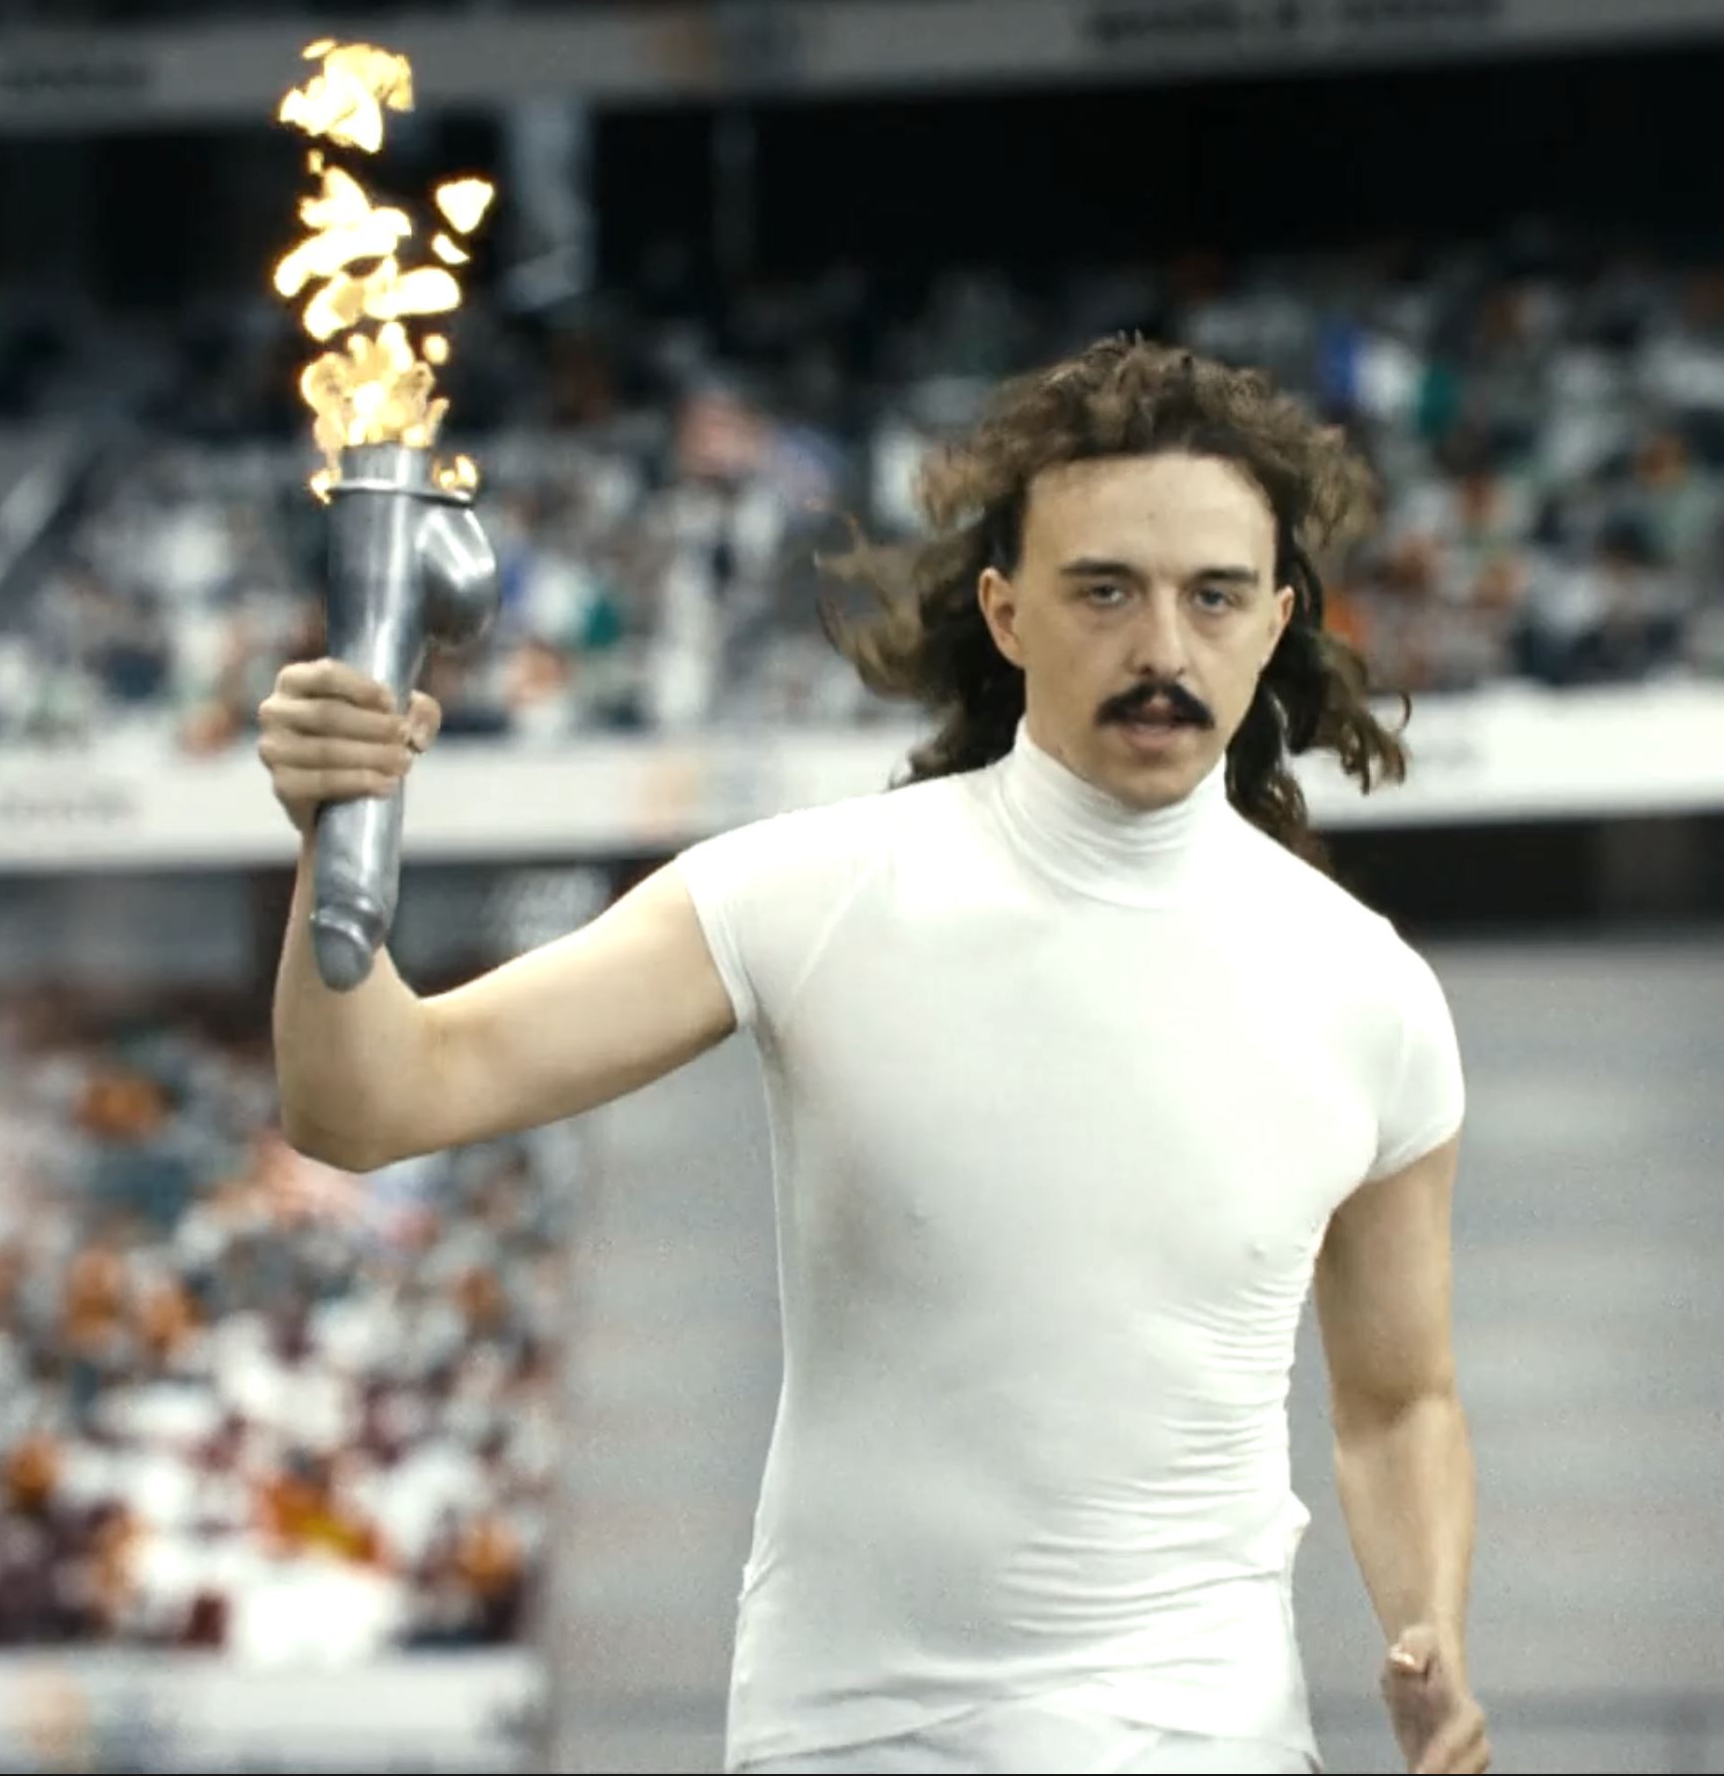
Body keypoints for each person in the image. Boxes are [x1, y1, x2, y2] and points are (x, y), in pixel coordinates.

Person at [262, 338, 1492, 1776]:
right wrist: (336, 831)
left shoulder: (1368, 992)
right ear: (1007, 611)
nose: (1164, 647)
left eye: (1212, 595)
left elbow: (1398, 1401)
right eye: (1105, 589)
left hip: (1211, 1735)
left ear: (1274, 621)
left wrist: (1430, 1627)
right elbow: (368, 1102)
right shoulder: (809, 894)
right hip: (850, 1739)